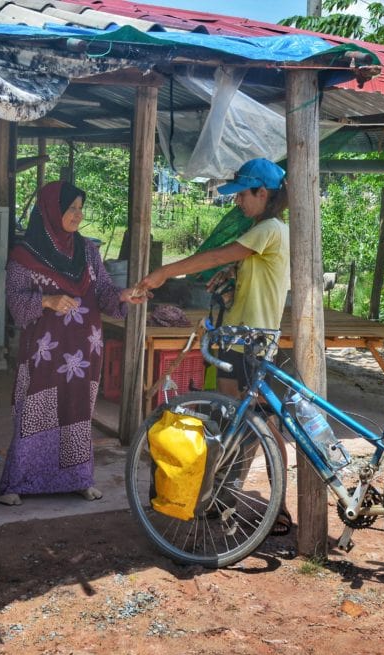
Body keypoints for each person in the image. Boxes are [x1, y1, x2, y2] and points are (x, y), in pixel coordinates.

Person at [136, 157, 294, 535]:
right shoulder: (264, 230)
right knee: (240, 425)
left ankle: (278, 506)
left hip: (250, 346)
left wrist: (164, 272)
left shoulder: (270, 228)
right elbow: (232, 267)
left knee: (263, 428)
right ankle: (225, 496)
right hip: (237, 341)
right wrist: (230, 278)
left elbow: (217, 254)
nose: (238, 201)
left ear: (263, 193)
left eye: (243, 194)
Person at [0, 180, 147, 506]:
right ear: (52, 210)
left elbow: (104, 293)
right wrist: (48, 301)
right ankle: (19, 481)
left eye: (80, 208)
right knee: (36, 410)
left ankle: (78, 478)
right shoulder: (25, 255)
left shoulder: (88, 251)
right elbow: (14, 302)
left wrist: (122, 295)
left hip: (83, 349)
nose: (78, 215)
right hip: (44, 350)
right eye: (71, 208)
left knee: (77, 411)